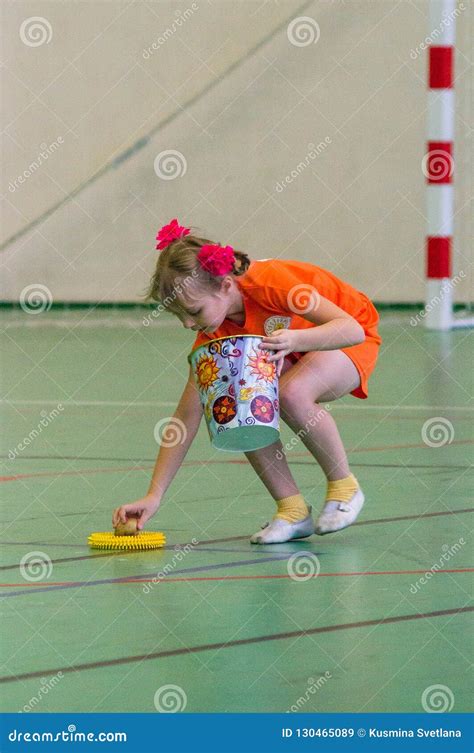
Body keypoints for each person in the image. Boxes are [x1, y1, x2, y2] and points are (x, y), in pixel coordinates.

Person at [112, 218, 382, 544]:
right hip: (292, 345)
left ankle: (345, 488)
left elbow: (350, 329)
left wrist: (297, 341)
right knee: (237, 399)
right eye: (178, 315)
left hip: (346, 336)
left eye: (193, 312)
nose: (187, 324)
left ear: (226, 286)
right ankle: (292, 510)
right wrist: (154, 495)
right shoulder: (213, 334)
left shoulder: (272, 285)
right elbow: (185, 417)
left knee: (292, 393)